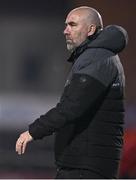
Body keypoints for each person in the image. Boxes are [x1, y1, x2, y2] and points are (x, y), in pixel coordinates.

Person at [16, 6, 128, 179]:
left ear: (91, 29)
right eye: (66, 25)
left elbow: (71, 107)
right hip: (85, 165)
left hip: (85, 167)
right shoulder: (96, 56)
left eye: (72, 25)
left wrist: (33, 131)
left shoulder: (97, 57)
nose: (65, 31)